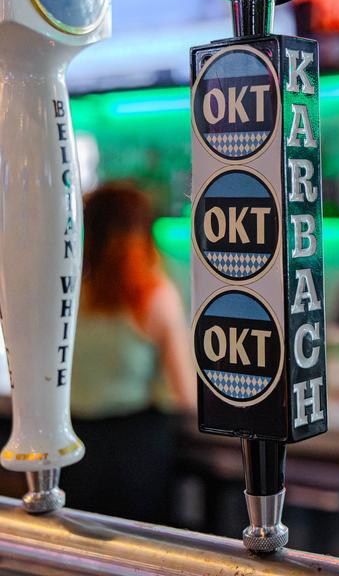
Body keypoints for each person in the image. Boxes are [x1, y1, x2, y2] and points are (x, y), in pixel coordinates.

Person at [61, 182, 195, 523]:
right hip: (135, 452)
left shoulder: (68, 294)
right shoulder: (155, 297)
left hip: (74, 447)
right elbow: (187, 396)